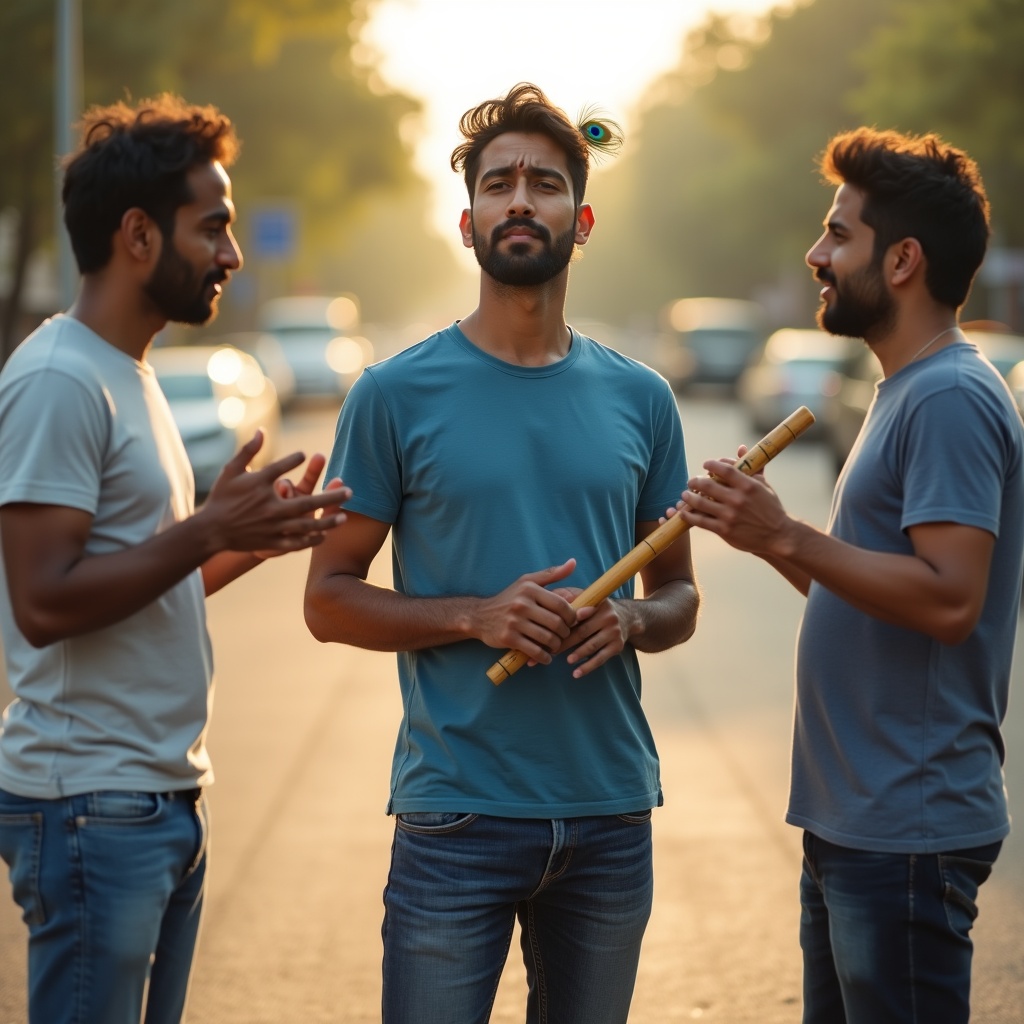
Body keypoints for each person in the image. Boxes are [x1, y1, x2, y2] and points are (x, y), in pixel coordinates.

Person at [304, 82, 699, 1024]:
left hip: (609, 813)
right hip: (456, 817)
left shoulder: (644, 400)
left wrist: (633, 617)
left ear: (583, 218)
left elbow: (678, 599)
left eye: (546, 183)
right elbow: (326, 599)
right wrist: (472, 614)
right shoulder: (393, 395)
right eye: (499, 183)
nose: (521, 199)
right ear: (468, 220)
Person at [0, 94, 349, 1024]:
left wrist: (242, 540)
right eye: (214, 228)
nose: (231, 255)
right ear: (138, 237)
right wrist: (203, 530)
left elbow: (148, 581)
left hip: (154, 800)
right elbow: (43, 600)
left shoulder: (128, 374)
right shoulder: (57, 380)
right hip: (90, 805)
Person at [674, 127, 1024, 1023]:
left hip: (904, 829)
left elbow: (948, 599)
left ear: (903, 260)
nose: (816, 254)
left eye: (839, 234)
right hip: (857, 822)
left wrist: (788, 534)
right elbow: (879, 593)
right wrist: (766, 540)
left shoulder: (948, 395)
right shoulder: (905, 388)